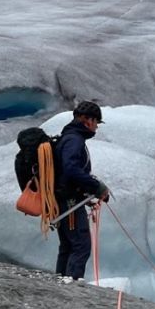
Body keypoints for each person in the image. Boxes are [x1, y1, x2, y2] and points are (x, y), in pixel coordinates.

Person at [54, 101, 110, 281]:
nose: (96, 127)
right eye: (96, 122)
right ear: (86, 120)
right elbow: (71, 170)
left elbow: (68, 172)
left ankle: (60, 283)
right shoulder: (74, 140)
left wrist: (86, 193)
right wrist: (96, 186)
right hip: (69, 201)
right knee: (80, 245)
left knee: (68, 245)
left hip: (66, 199)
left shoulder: (70, 137)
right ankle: (71, 288)